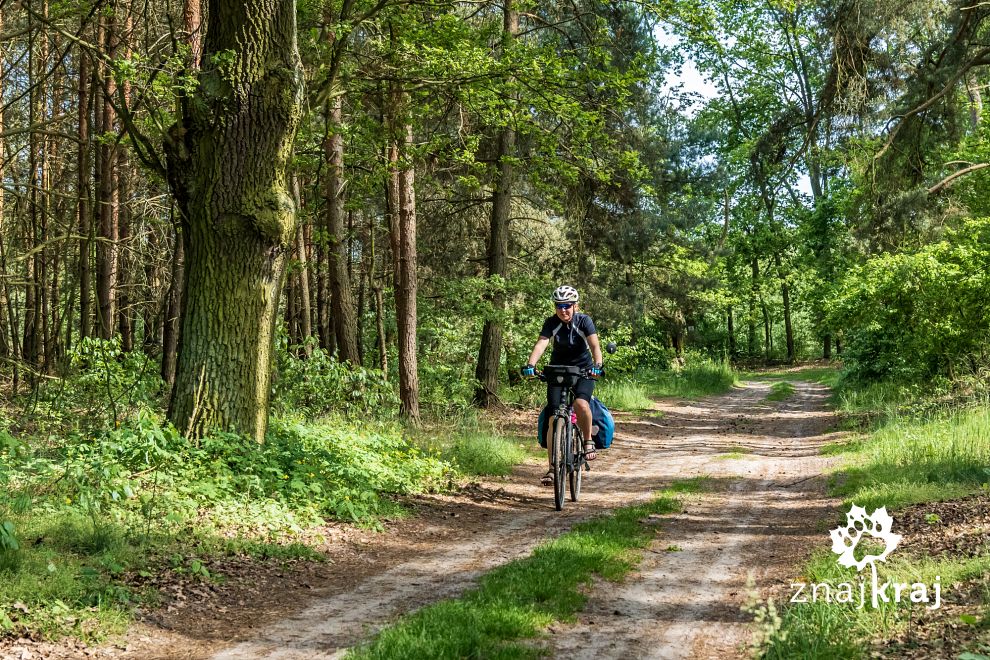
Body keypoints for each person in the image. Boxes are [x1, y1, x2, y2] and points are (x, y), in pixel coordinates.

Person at [521, 285, 603, 487]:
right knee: (552, 417)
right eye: (559, 306)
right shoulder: (551, 323)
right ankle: (551, 468)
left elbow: (594, 346)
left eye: (567, 305)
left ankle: (587, 441)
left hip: (584, 370)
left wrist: (597, 366)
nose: (563, 310)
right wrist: (531, 365)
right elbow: (542, 343)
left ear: (575, 306)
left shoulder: (584, 321)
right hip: (558, 370)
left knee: (581, 404)